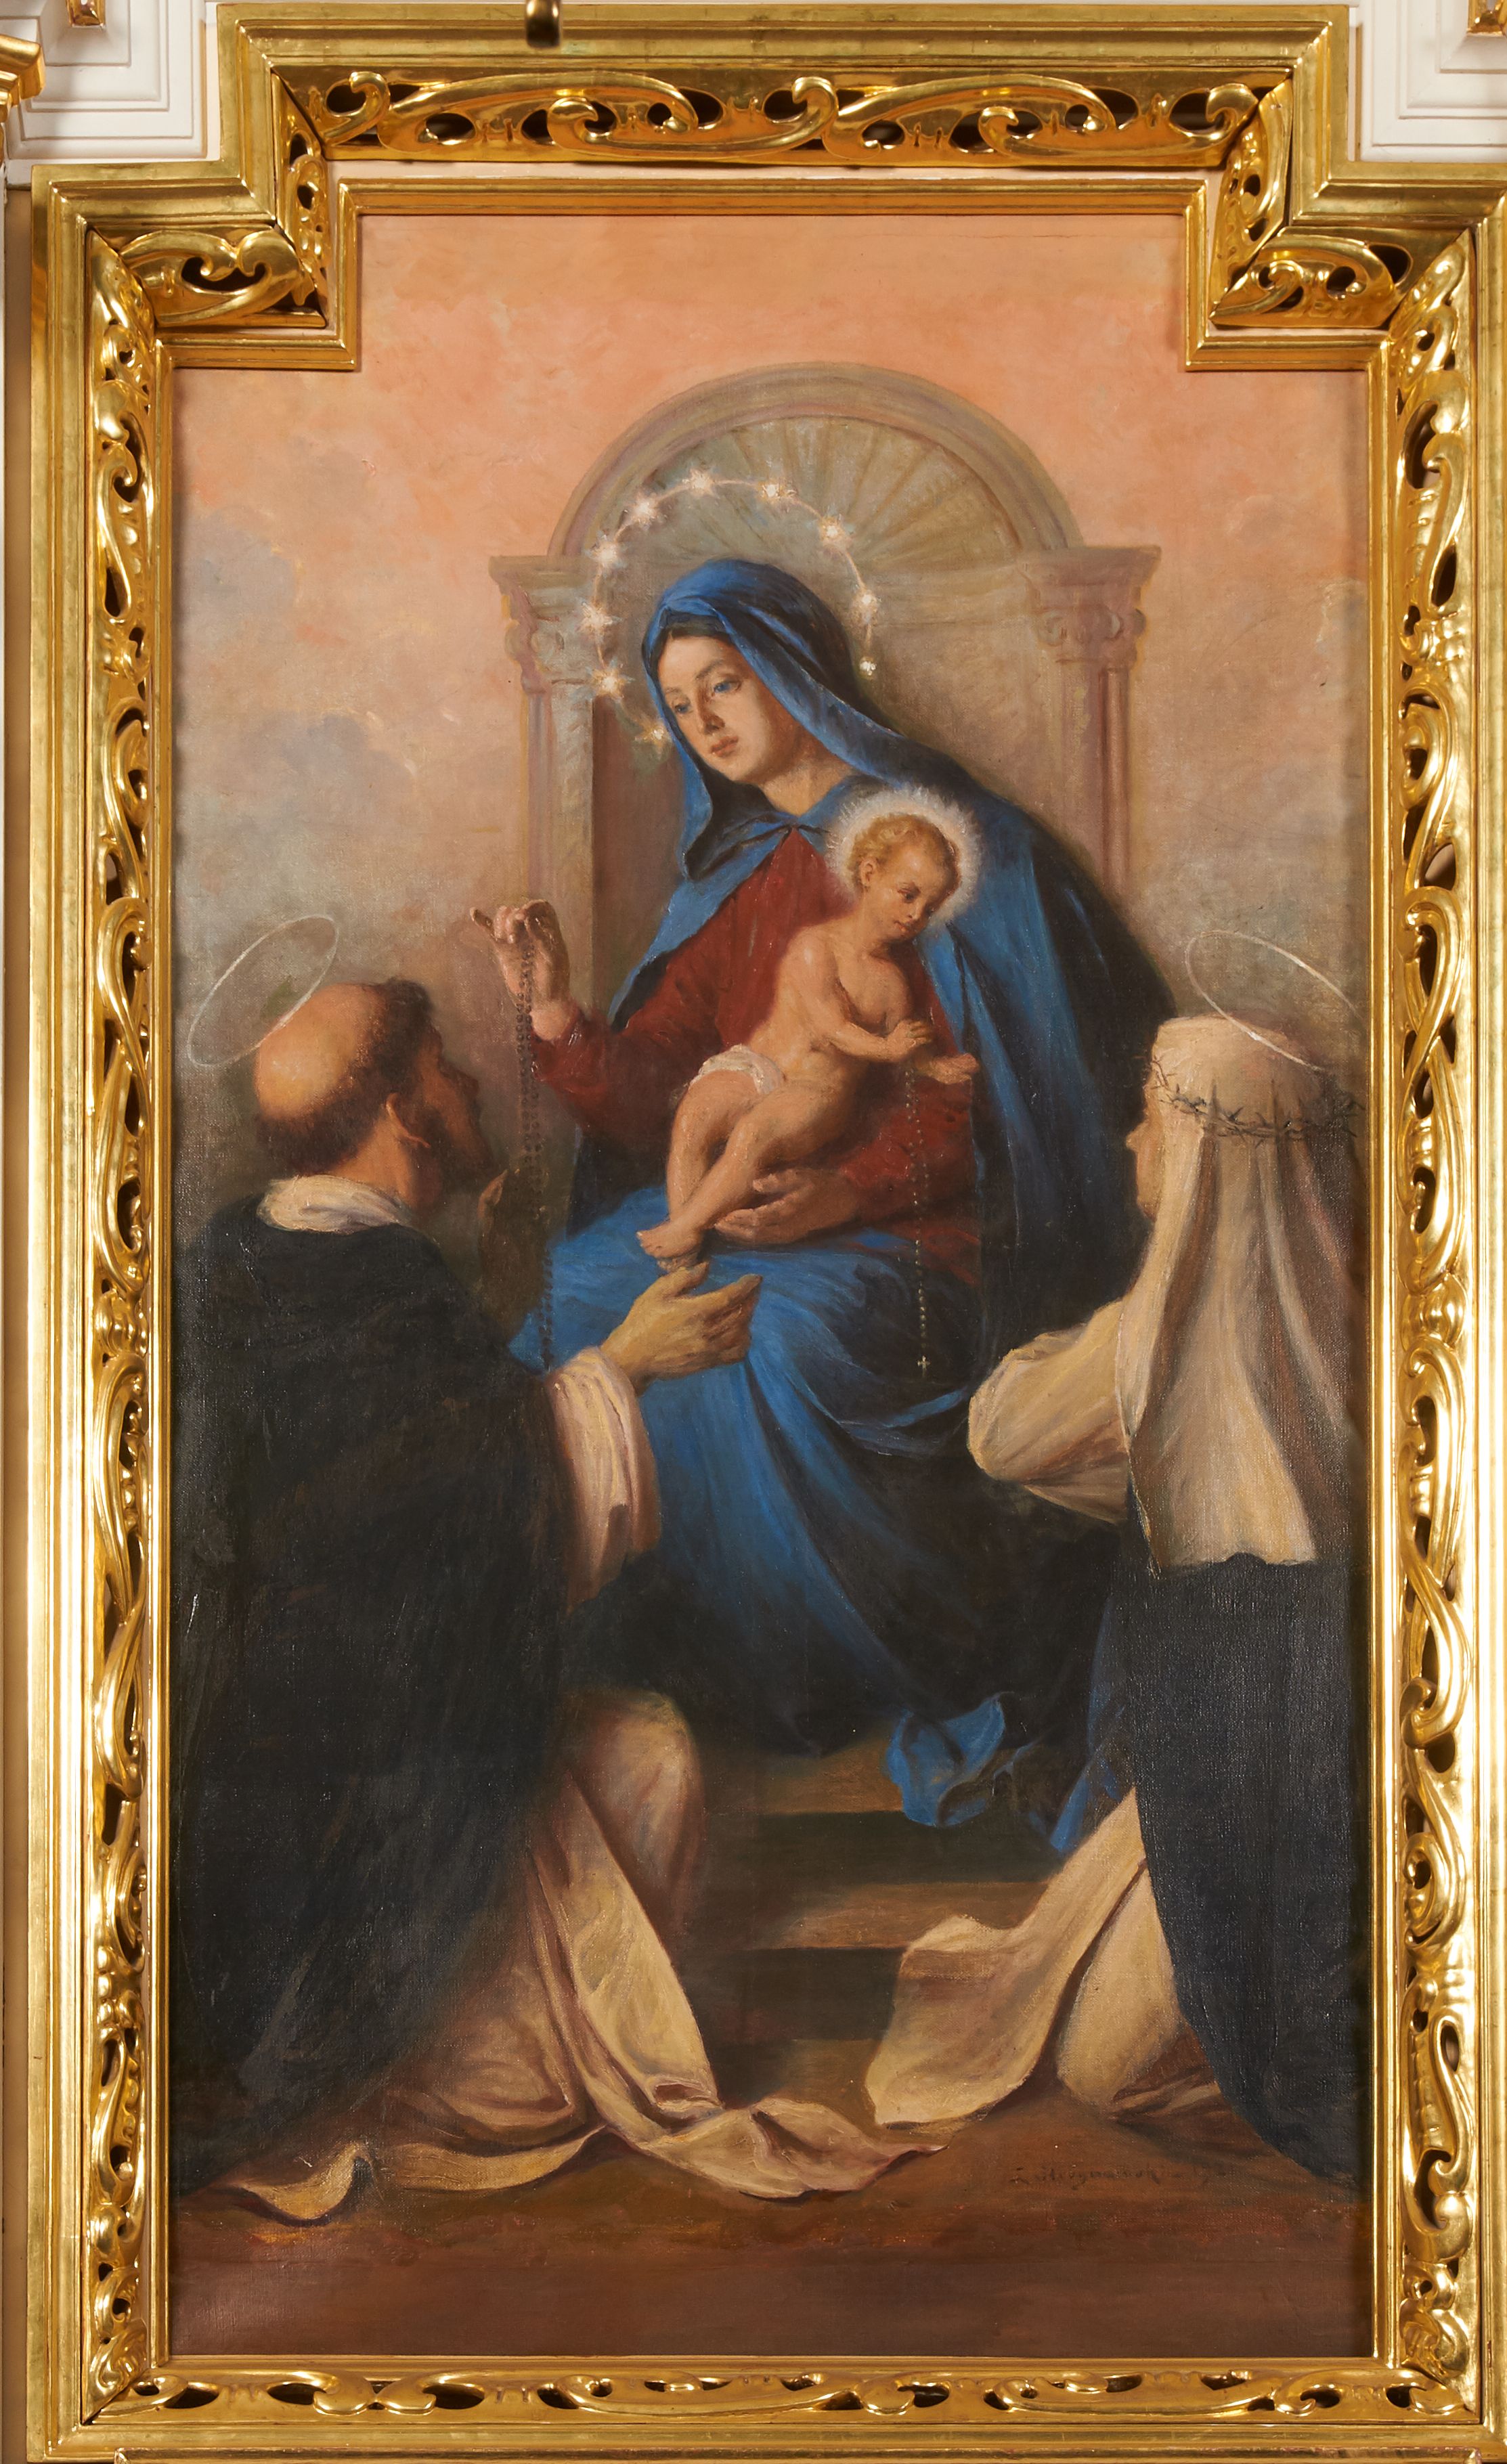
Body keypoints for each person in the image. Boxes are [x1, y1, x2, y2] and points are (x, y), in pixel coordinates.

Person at [174, 978, 911, 2210]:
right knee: (650, 1760)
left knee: (640, 1751)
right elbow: (445, 1532)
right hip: (356, 1810)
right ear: (404, 1112)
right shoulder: (370, 1287)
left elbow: (408, 1473)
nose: (469, 1082)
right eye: (445, 1065)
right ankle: (470, 2075)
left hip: (312, 1764)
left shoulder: (251, 1253)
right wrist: (626, 1366)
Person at [490, 556, 1172, 1759]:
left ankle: (826, 1680)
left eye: (725, 684)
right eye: (680, 705)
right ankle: (632, 1664)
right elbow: (655, 1095)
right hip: (752, 1208)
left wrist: (841, 1193)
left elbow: (1006, 1105)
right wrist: (552, 1011)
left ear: (799, 671)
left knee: (774, 1339)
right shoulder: (743, 877)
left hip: (920, 1239)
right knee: (575, 1296)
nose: (704, 724)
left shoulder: (948, 861)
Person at [865, 1014, 1368, 2182]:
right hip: (1247, 1750)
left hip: (1271, 1762)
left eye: (1151, 1116)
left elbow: (1001, 1431)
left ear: (1201, 1152)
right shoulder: (1362, 1322)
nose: (1132, 1138)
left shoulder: (1150, 1337)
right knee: (1100, 2018)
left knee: (1110, 2069)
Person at [634, 797, 979, 1264]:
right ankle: (683, 1243)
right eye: (908, 894)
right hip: (759, 1067)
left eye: (930, 907)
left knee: (754, 1134)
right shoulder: (815, 946)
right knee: (696, 1114)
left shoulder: (892, 983)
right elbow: (833, 1028)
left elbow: (904, 1048)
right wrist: (888, 1048)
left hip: (818, 1091)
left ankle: (685, 1228)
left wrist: (933, 1066)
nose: (916, 915)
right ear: (869, 873)